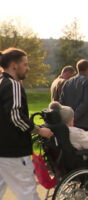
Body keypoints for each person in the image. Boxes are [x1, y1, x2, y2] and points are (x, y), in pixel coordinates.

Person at [0, 47, 53, 200]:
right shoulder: (13, 85)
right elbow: (16, 116)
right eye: (25, 64)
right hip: (14, 151)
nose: (28, 68)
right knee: (28, 193)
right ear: (14, 65)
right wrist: (38, 130)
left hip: (2, 150)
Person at [60, 59, 88, 132]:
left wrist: (68, 118)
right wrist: (74, 117)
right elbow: (86, 102)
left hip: (70, 122)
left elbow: (62, 101)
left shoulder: (68, 82)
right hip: (85, 122)